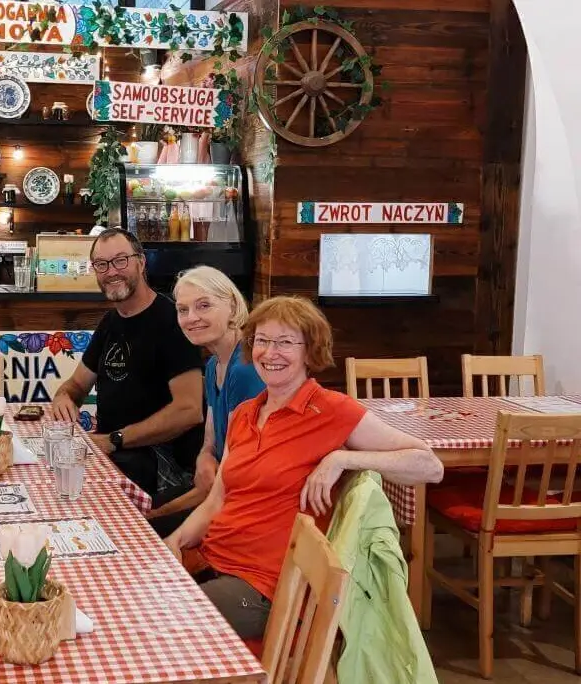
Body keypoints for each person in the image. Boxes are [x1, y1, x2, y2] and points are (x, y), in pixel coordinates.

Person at [164, 296, 443, 639]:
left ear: (310, 351)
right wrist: (173, 542)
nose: (270, 353)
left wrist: (344, 458)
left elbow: (430, 466)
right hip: (211, 559)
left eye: (285, 342)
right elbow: (216, 502)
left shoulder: (332, 410)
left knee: (164, 625)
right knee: (135, 599)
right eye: (263, 341)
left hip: (267, 589)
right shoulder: (244, 414)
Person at [46, 228, 204, 511]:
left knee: (66, 493)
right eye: (102, 264)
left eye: (121, 260)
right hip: (115, 449)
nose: (111, 272)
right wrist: (63, 398)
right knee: (49, 472)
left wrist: (115, 440)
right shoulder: (111, 322)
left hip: (158, 463)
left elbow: (189, 410)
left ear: (141, 263)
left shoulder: (172, 321)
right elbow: (77, 385)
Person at [148, 265, 264, 524]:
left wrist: (153, 516)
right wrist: (204, 456)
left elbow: (232, 473)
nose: (191, 318)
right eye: (182, 310)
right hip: (221, 487)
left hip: (247, 502)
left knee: (145, 523)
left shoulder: (245, 368)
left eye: (204, 306)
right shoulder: (214, 365)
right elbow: (210, 442)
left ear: (233, 307)